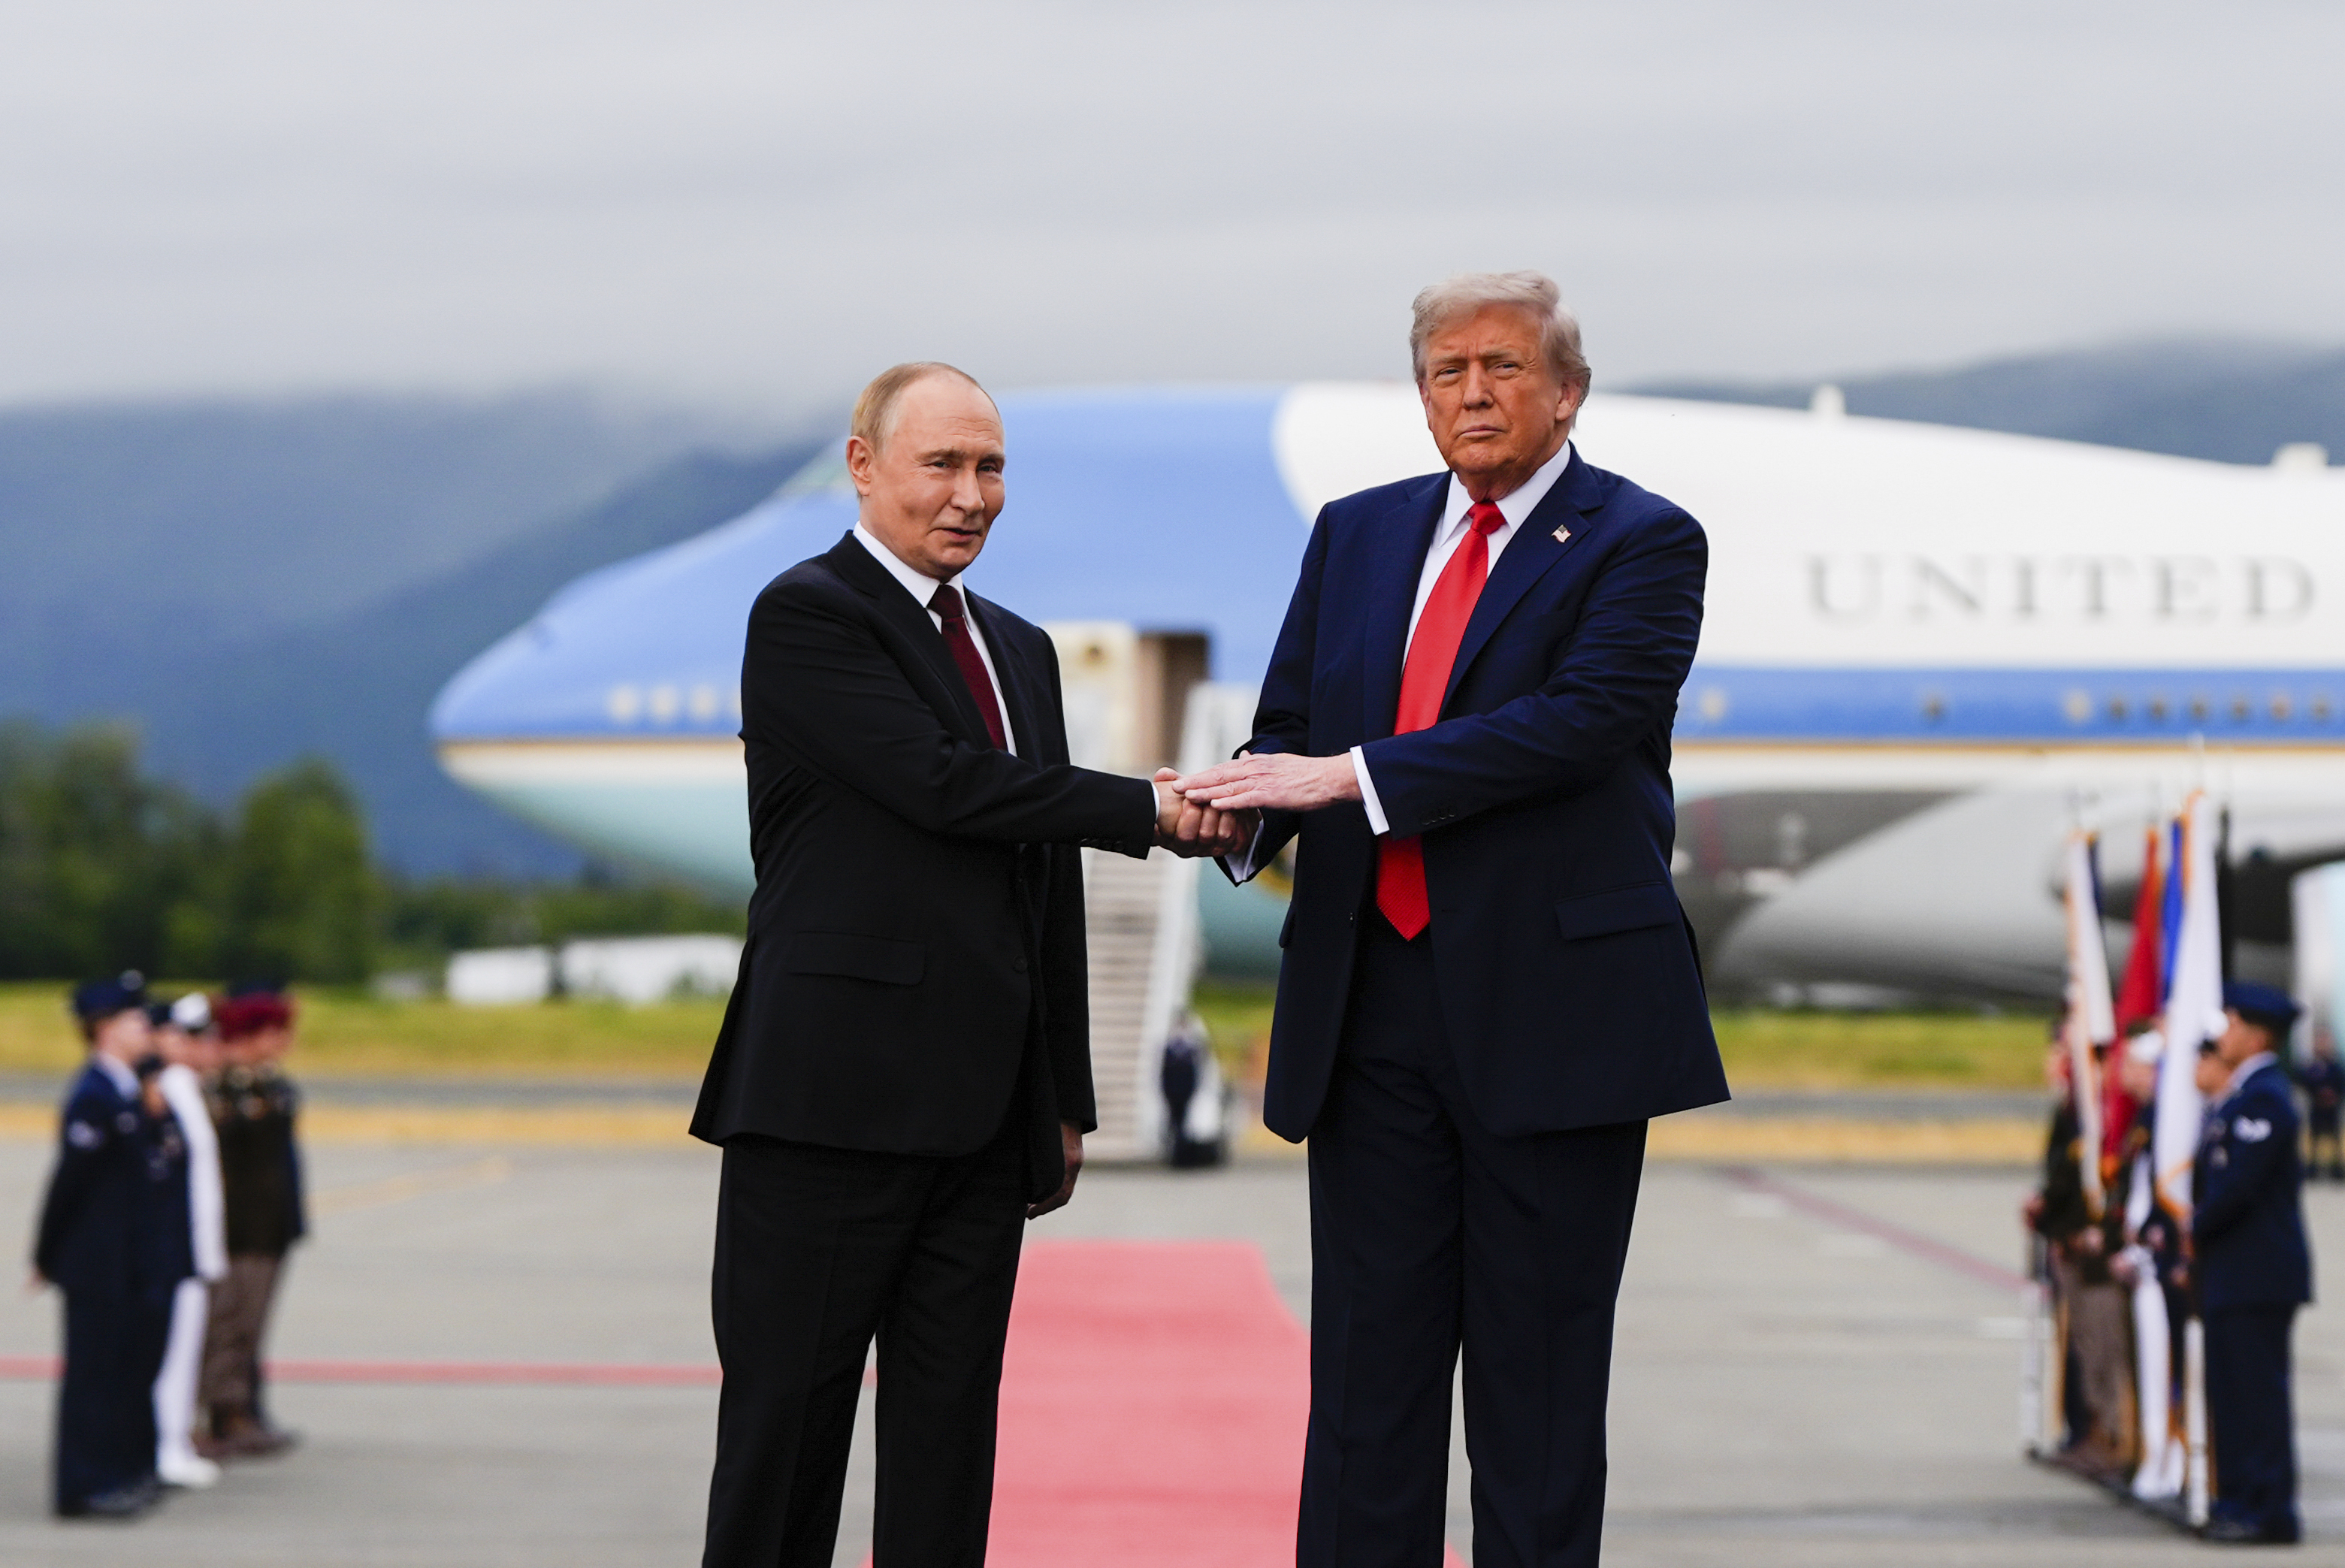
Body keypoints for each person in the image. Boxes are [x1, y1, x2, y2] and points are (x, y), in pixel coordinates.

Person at [1175, 271, 1727, 1568]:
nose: (1472, 392)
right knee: (1366, 1395)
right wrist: (1247, 808)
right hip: (1369, 1012)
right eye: (1445, 371)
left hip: (1553, 1018)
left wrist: (1348, 779)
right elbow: (1292, 727)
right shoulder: (1356, 533)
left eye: (1502, 367)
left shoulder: (1641, 541)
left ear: (1567, 391)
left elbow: (1581, 725)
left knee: (1536, 1405)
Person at [689, 361, 1242, 1568]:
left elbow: (1040, 875)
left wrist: (1062, 1096)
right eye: (941, 463)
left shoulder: (1019, 647)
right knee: (786, 1444)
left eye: (990, 467)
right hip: (827, 1105)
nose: (971, 494)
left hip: (984, 1119)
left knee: (949, 1449)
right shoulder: (809, 613)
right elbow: (944, 786)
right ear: (863, 463)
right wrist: (1153, 806)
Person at [32, 973, 179, 1519]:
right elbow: (70, 1184)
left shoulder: (125, 1091)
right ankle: (82, 1485)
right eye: (135, 1020)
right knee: (92, 1379)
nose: (146, 1029)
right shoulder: (94, 1094)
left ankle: (117, 1472)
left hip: (125, 1261)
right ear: (104, 1029)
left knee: (121, 1373)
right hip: (94, 1263)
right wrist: (47, 1254)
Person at [2192, 980, 2313, 1545]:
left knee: (2256, 1398)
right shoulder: (2242, 1095)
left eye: (2232, 1023)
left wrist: (2188, 1230)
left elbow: (2237, 1187)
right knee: (2233, 1395)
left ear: (2256, 1034)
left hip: (2257, 1272)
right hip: (2233, 1271)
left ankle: (2267, 1511)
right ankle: (2239, 1498)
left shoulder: (2264, 1095)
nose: (2223, 1034)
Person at [198, 985, 306, 1458]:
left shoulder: (267, 1083)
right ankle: (223, 1413)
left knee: (251, 1325)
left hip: (268, 1225)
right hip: (237, 1228)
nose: (284, 1041)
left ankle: (242, 1408)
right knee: (229, 1324)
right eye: (275, 1031)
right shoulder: (225, 1088)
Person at [2025, 1031, 2132, 1476]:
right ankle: (2095, 1434)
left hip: (2101, 1253)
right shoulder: (2076, 1112)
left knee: (2108, 1349)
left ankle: (2114, 1437)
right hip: (2075, 1248)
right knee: (2089, 1347)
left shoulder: (2109, 1118)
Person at [148, 993, 228, 1488]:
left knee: (184, 1350)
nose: (205, 1046)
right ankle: (165, 1444)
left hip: (195, 1246)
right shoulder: (170, 1088)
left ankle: (173, 1440)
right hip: (177, 1247)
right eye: (189, 1036)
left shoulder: (186, 1087)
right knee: (171, 1355)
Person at [2296, 1025, 2343, 1182]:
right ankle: (2312, 1167)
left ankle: (2336, 1167)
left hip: (2332, 1108)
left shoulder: (2335, 1066)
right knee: (2313, 1138)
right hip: (2317, 1107)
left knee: (2335, 1137)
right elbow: (2305, 1081)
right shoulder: (2312, 1066)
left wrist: (2333, 1095)